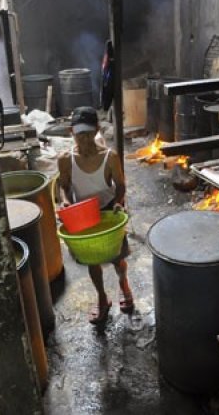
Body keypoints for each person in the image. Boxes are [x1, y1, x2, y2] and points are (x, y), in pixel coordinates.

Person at [57, 106, 133, 325]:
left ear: (97, 130)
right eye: (80, 134)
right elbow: (64, 186)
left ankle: (124, 285)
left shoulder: (110, 157)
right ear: (72, 132)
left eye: (88, 133)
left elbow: (120, 185)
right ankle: (101, 297)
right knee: (93, 260)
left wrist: (119, 202)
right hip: (83, 213)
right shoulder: (65, 159)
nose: (85, 139)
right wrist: (65, 200)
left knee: (117, 258)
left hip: (108, 208)